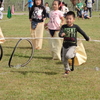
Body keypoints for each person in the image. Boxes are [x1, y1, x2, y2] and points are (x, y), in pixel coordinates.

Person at [59, 11, 90, 76]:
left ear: (74, 20)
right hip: (65, 45)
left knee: (68, 56)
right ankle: (67, 69)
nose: (68, 20)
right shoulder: (63, 27)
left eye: (70, 19)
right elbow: (60, 34)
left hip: (72, 45)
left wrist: (87, 38)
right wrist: (61, 34)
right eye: (67, 18)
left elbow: (82, 32)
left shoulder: (76, 27)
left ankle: (74, 54)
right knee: (63, 59)